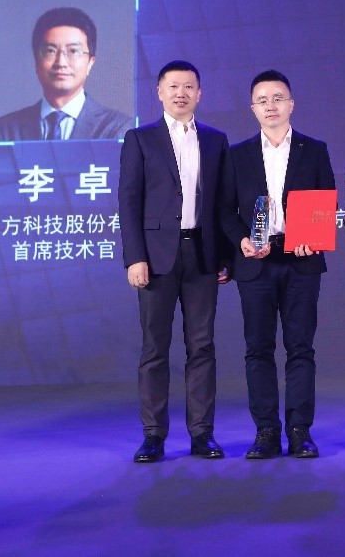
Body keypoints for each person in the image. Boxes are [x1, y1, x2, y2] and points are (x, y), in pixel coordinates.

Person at [219, 70, 336, 460]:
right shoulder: (237, 154)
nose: (271, 105)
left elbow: (327, 199)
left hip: (301, 260)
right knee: (258, 349)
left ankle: (300, 431)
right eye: (262, 100)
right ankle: (266, 431)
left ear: (291, 104)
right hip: (255, 262)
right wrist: (241, 240)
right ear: (253, 108)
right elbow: (225, 210)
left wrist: (312, 236)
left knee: (301, 348)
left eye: (278, 98)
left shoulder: (313, 149)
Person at [119, 60, 229, 463]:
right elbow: (128, 201)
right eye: (173, 86)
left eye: (188, 87)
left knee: (202, 346)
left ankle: (202, 434)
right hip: (155, 257)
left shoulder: (215, 140)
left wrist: (224, 256)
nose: (181, 93)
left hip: (201, 254)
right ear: (160, 92)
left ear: (199, 93)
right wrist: (135, 257)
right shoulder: (140, 138)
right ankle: (153, 435)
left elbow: (222, 204)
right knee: (155, 348)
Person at [0, 6, 131, 141]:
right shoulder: (5, 130)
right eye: (50, 51)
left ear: (90, 63)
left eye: (73, 51)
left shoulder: (118, 128)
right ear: (36, 61)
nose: (61, 63)